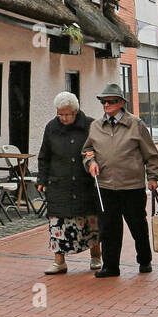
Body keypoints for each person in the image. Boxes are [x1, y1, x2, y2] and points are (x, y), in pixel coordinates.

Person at [81, 81, 158, 277]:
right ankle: (110, 266)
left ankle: (144, 260)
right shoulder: (96, 127)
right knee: (109, 229)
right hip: (106, 186)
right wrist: (90, 163)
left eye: (111, 101)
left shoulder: (136, 124)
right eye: (103, 102)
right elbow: (87, 151)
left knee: (137, 226)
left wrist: (153, 177)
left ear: (121, 103)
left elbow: (150, 154)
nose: (106, 105)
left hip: (131, 186)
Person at [36, 92, 102, 275]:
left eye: (67, 114)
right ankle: (59, 262)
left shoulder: (91, 125)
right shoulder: (51, 127)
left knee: (91, 221)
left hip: (84, 182)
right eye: (60, 114)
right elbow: (44, 156)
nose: (63, 118)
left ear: (76, 111)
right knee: (58, 222)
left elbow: (99, 150)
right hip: (59, 182)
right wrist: (42, 178)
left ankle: (96, 257)